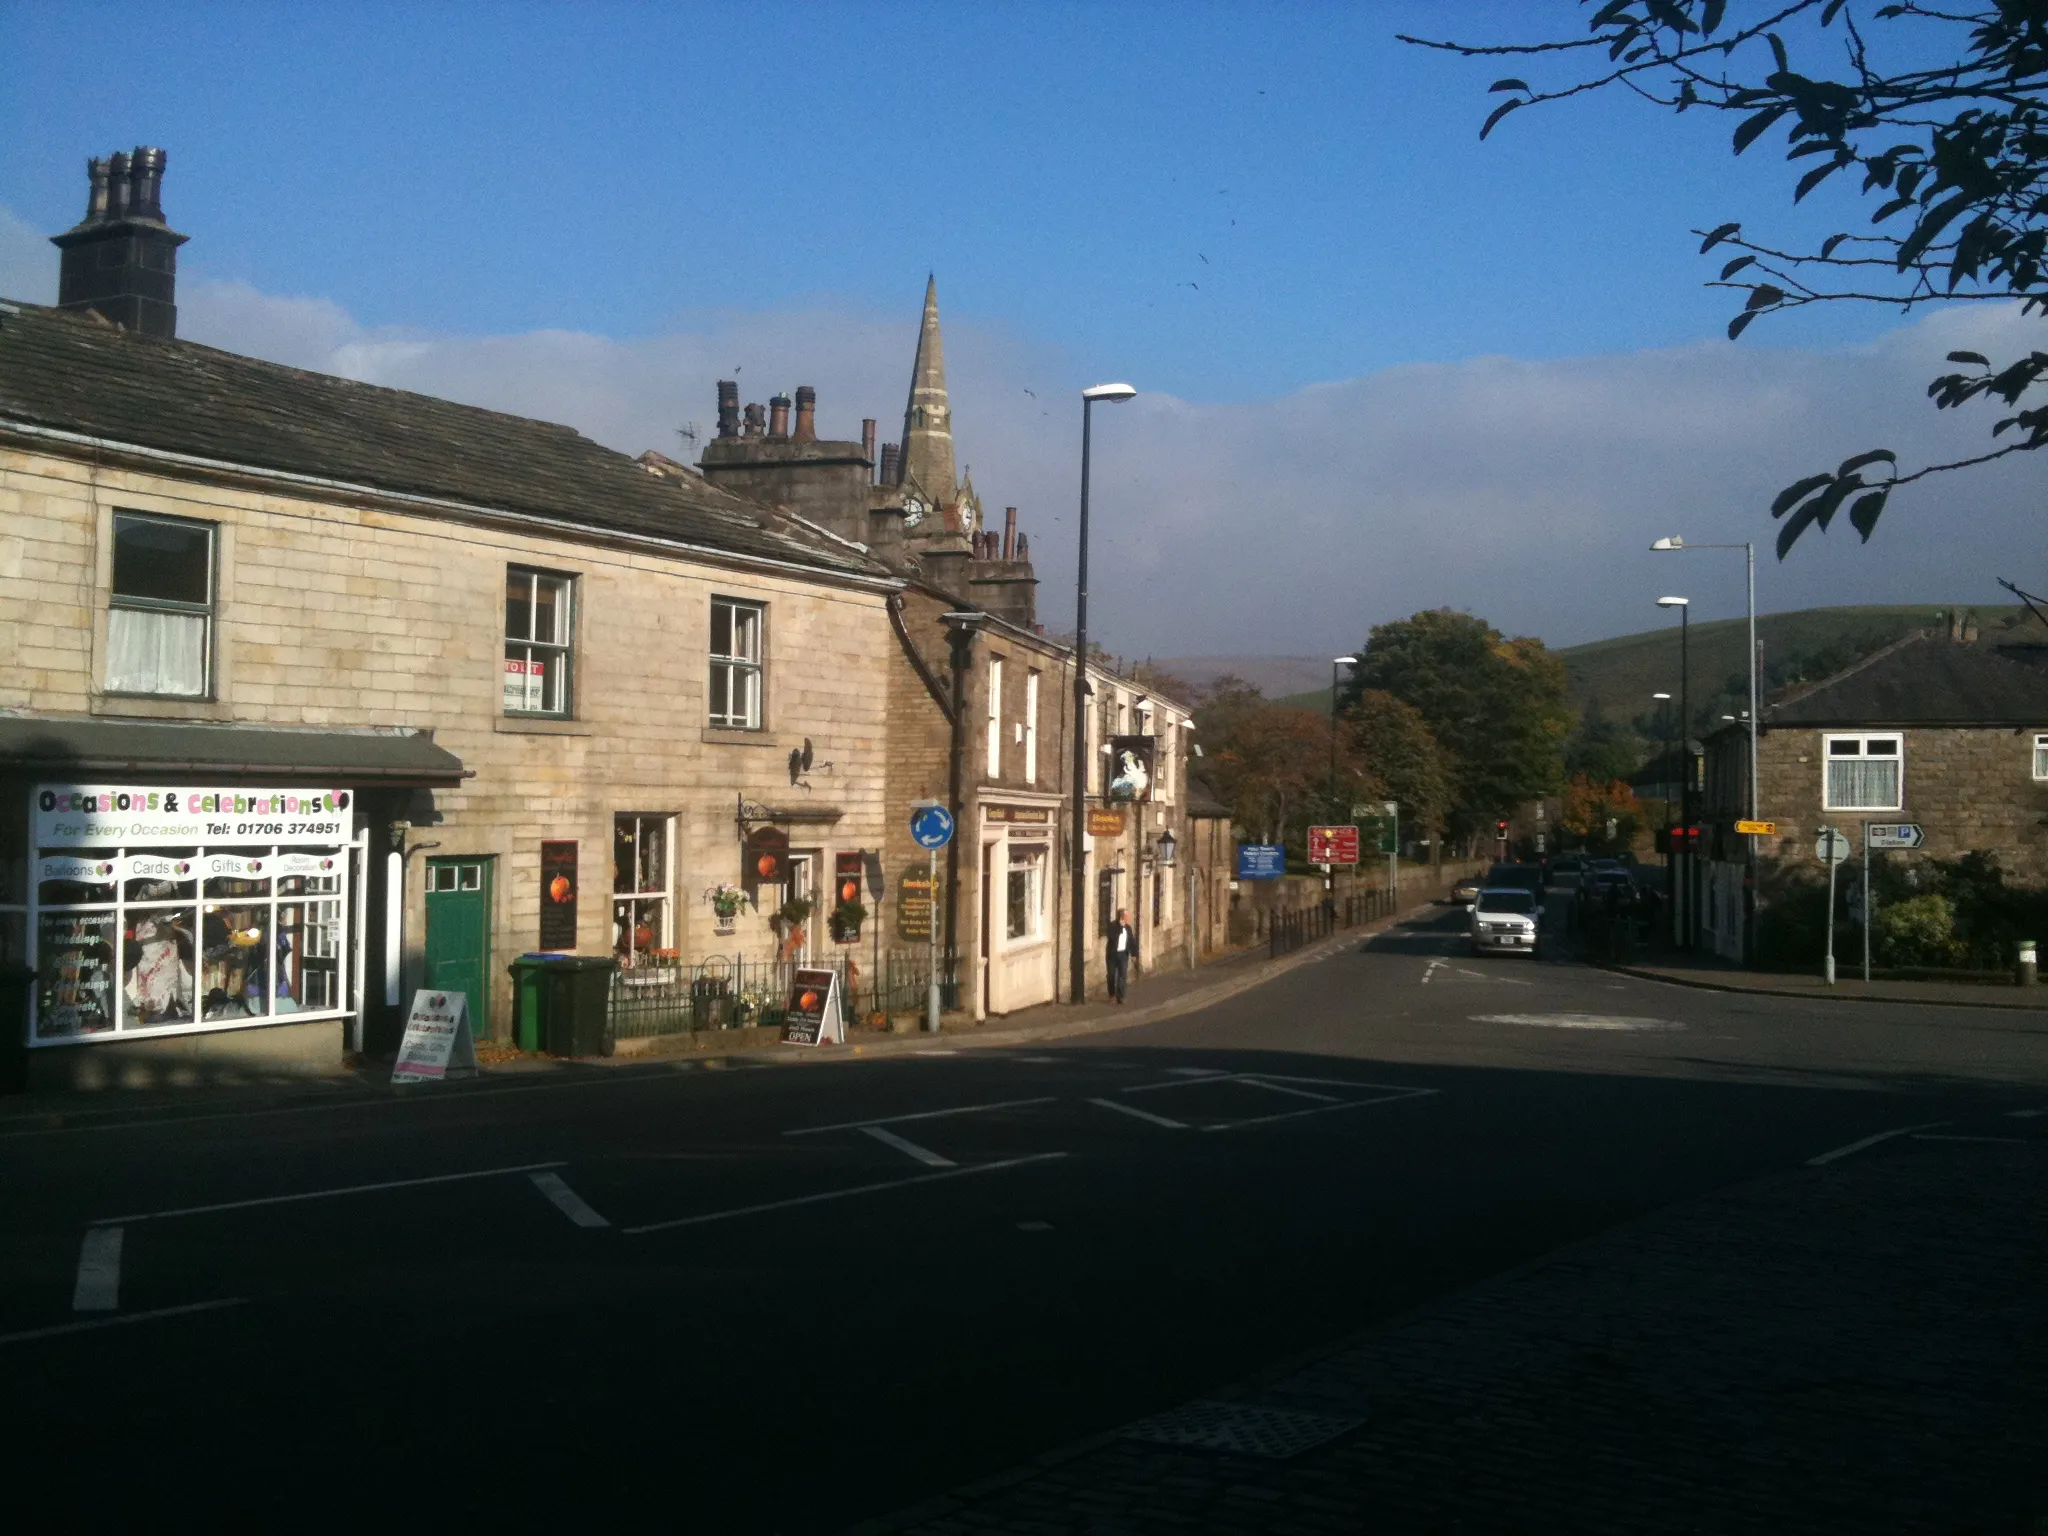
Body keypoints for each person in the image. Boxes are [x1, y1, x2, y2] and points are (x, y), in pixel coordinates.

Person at [1106, 907, 1138, 1003]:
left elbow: (1131, 941)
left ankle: (1121, 996)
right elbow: (1111, 937)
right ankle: (1112, 994)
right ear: (1122, 916)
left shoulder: (1128, 928)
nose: (1128, 918)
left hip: (1123, 954)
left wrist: (1134, 954)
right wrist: (1120, 927)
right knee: (1111, 975)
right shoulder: (1113, 926)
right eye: (1126, 915)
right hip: (1112, 955)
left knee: (1122, 975)